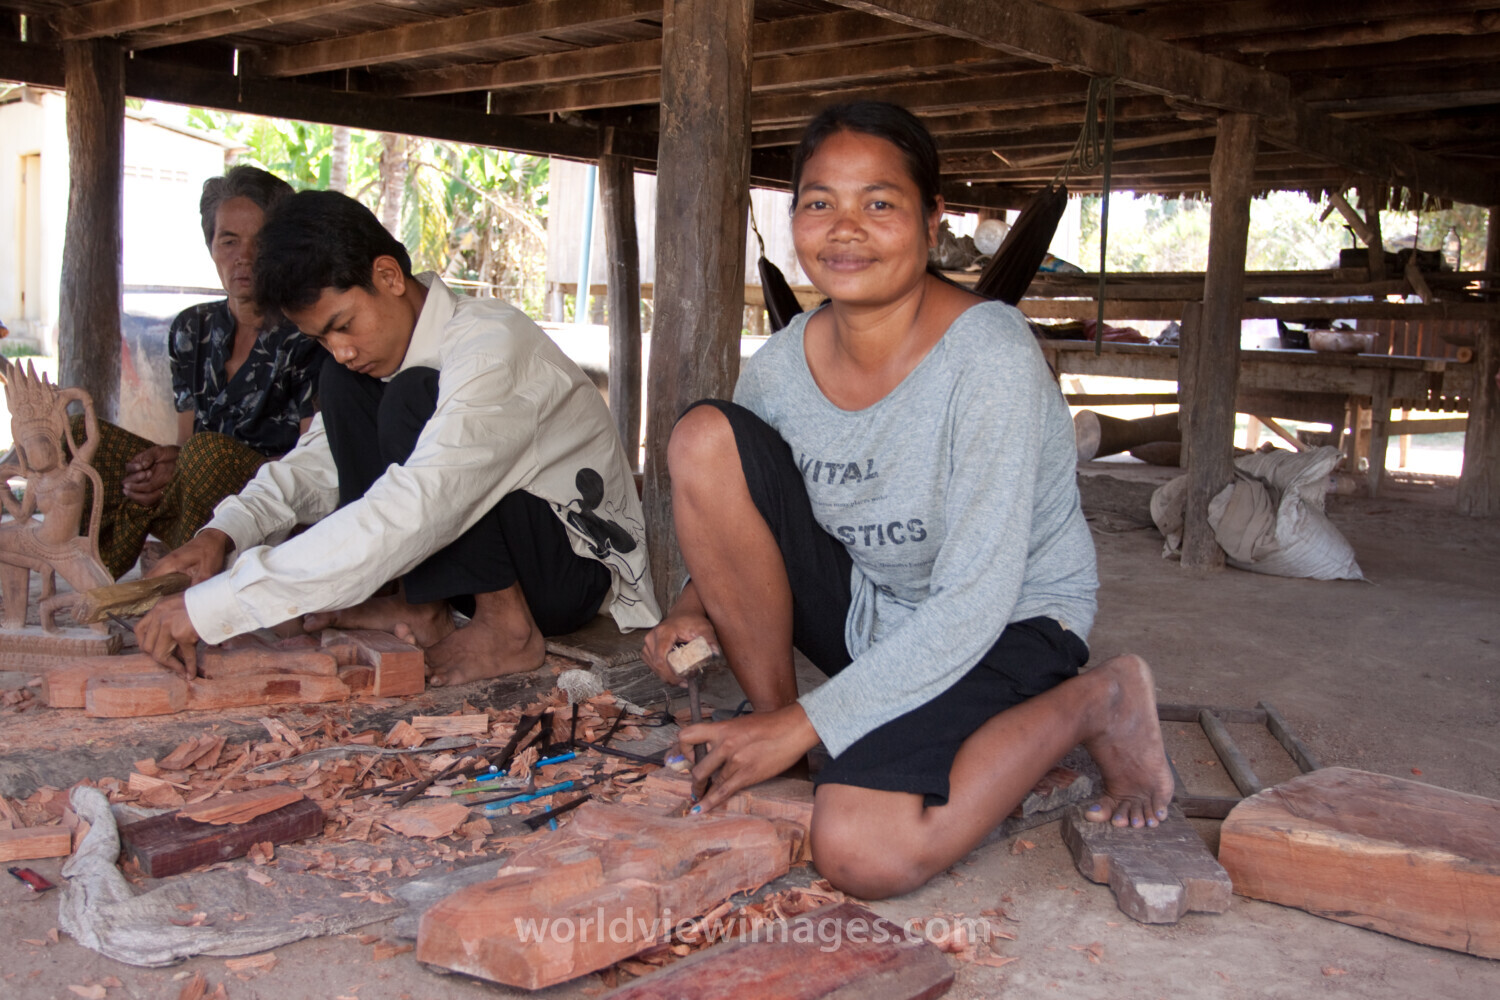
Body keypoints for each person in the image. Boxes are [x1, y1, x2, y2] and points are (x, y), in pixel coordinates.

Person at [639, 102, 1174, 900]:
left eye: (879, 203)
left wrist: (811, 719)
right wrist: (692, 609)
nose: (845, 229)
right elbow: (743, 513)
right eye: (820, 203)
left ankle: (1099, 699)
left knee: (865, 851)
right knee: (704, 438)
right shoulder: (781, 368)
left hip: (1008, 621)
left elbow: (974, 603)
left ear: (931, 221)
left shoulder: (989, 357)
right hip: (875, 612)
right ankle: (786, 742)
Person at [135, 190, 658, 685]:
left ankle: (507, 629)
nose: (341, 349)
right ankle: (421, 607)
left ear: (387, 276)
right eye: (322, 338)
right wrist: (222, 534)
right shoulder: (369, 362)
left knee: (412, 397)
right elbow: (313, 466)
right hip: (496, 561)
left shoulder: (489, 346)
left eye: (343, 325)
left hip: (572, 572)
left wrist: (220, 605)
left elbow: (418, 506)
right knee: (340, 383)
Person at [76, 165, 323, 579]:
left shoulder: (308, 332)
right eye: (228, 240)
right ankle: (89, 572)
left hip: (270, 510)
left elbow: (311, 465)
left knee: (206, 456)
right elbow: (186, 440)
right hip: (195, 492)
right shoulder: (193, 328)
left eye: (261, 240)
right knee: (81, 436)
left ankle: (195, 575)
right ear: (211, 246)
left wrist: (197, 461)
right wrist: (162, 468)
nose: (243, 257)